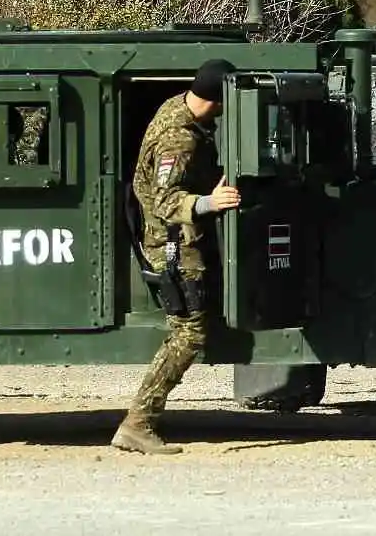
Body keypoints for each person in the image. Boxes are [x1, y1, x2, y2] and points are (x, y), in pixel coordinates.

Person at [112, 59, 243, 455]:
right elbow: (168, 199)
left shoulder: (179, 108)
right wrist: (210, 201)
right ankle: (138, 422)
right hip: (172, 241)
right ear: (217, 101)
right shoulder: (179, 138)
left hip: (178, 236)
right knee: (189, 333)